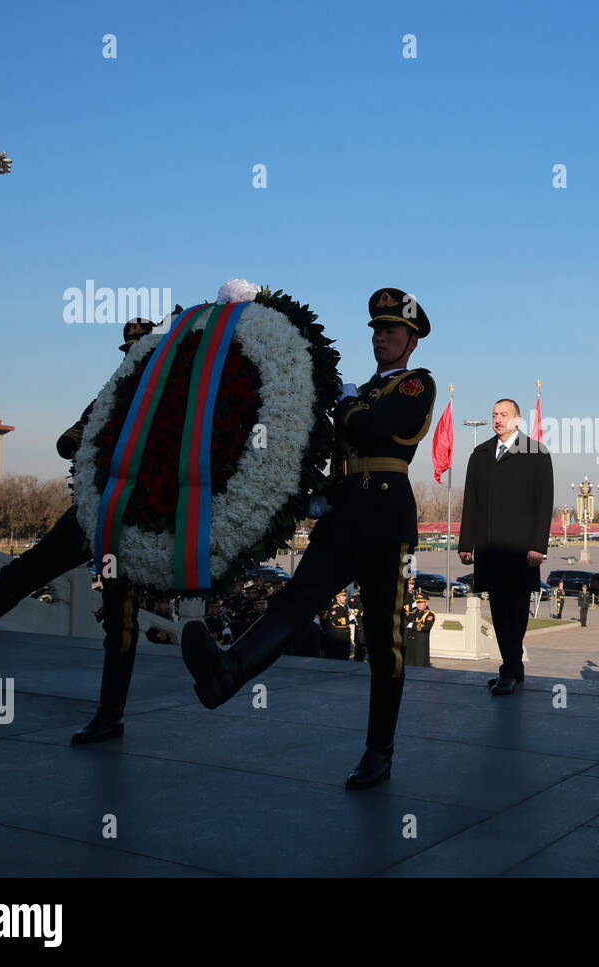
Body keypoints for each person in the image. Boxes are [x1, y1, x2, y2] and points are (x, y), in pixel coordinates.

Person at [181, 287, 435, 790]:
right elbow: (343, 445)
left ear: (411, 340)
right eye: (377, 330)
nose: (382, 337)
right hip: (345, 514)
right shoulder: (360, 391)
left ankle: (378, 751)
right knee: (293, 601)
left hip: (385, 517)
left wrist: (345, 408)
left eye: (391, 330)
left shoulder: (414, 385)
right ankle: (227, 673)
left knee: (385, 642)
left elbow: (375, 428)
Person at [0, 319, 156, 745]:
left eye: (136, 350)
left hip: (139, 519)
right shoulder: (114, 395)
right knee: (24, 574)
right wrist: (92, 434)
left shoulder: (173, 407)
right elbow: (69, 440)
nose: (130, 357)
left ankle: (109, 713)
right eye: (128, 351)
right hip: (95, 508)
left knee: (121, 618)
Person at [457, 398, 554, 695]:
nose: (498, 419)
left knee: (516, 610)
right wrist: (466, 542)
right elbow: (470, 501)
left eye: (504, 414)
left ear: (517, 419)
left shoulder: (536, 453)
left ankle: (509, 669)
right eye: (494, 414)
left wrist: (538, 545)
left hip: (521, 549)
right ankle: (513, 668)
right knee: (499, 611)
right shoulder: (480, 453)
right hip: (489, 548)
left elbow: (544, 502)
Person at [404, 593, 435, 667]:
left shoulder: (429, 614)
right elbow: (406, 615)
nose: (419, 604)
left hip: (420, 645)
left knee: (419, 665)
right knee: (409, 664)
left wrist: (413, 625)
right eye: (418, 602)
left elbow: (426, 627)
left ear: (426, 603)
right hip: (411, 643)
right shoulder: (415, 612)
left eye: (421, 602)